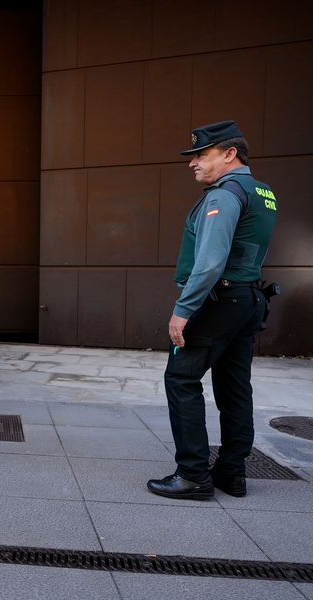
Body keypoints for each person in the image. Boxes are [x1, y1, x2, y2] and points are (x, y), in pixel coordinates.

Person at [147, 120, 278, 500]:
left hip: (219, 301)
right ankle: (232, 473)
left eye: (202, 155)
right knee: (235, 387)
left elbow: (210, 262)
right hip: (248, 300)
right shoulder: (263, 192)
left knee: (181, 378)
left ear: (229, 153)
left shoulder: (224, 195)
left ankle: (193, 476)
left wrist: (182, 310)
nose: (193, 163)